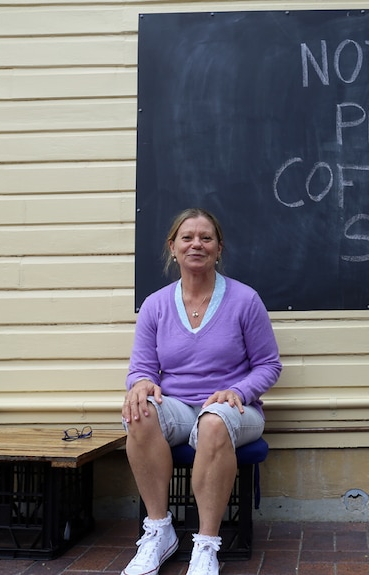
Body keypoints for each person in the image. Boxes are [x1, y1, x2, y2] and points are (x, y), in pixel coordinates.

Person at [120, 207, 282, 575]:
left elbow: (269, 366)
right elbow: (142, 369)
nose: (197, 244)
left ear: (219, 248)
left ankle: (206, 545)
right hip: (177, 405)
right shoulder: (156, 305)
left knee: (213, 423)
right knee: (139, 410)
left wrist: (238, 390)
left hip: (237, 410)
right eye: (187, 238)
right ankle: (160, 531)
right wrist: (141, 384)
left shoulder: (245, 300)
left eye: (206, 238)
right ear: (172, 248)